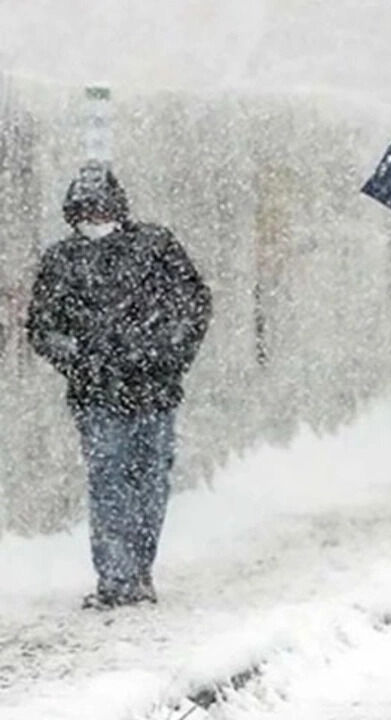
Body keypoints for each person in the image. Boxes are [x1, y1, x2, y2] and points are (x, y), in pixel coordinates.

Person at [26, 162, 211, 609]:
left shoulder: (156, 246)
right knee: (109, 480)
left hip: (155, 390)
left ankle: (138, 570)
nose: (93, 217)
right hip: (97, 395)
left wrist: (164, 353)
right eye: (84, 210)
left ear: (118, 206)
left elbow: (193, 305)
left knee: (149, 482)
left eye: (100, 207)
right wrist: (83, 359)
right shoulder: (61, 260)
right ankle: (115, 578)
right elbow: (42, 327)